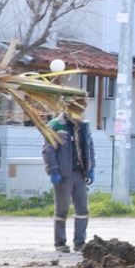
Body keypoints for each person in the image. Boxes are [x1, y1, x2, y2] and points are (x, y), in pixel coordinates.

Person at [43, 99, 95, 253]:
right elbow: (48, 150)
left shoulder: (84, 126)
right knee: (62, 210)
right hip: (63, 175)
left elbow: (90, 148)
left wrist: (91, 168)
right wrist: (53, 170)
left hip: (80, 173)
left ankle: (80, 243)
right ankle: (60, 243)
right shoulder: (55, 125)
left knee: (82, 210)